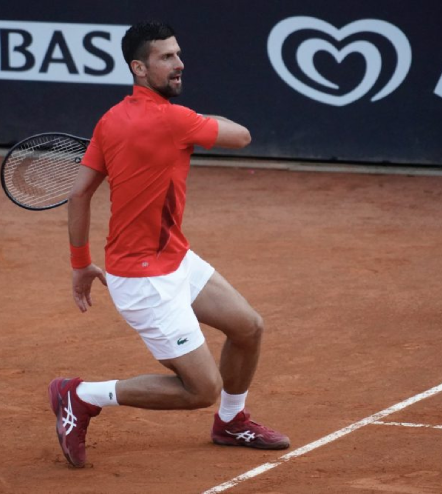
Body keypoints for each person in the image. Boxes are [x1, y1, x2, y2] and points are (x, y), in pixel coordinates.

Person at [48, 21, 290, 468]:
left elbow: (80, 192)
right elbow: (241, 136)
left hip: (175, 260)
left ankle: (231, 423)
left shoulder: (111, 120)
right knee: (200, 389)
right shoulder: (176, 120)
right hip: (144, 281)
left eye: (178, 54)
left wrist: (80, 264)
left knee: (247, 327)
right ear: (139, 68)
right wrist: (198, 122)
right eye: (166, 58)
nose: (179, 65)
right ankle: (79, 395)